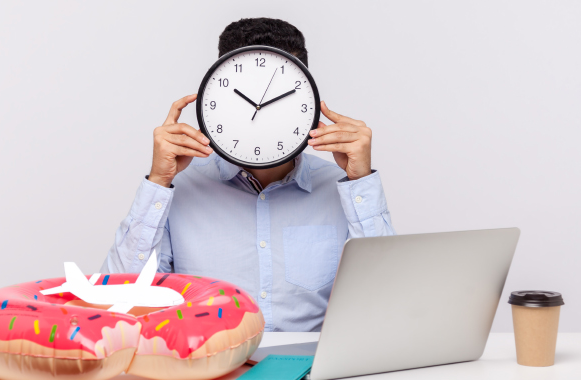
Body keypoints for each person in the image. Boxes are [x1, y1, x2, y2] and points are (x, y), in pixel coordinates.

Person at [101, 18, 394, 332]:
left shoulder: (342, 188)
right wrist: (158, 182)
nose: (261, 112)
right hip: (212, 373)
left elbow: (387, 303)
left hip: (311, 372)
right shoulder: (178, 190)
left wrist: (360, 181)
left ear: (305, 99)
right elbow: (117, 304)